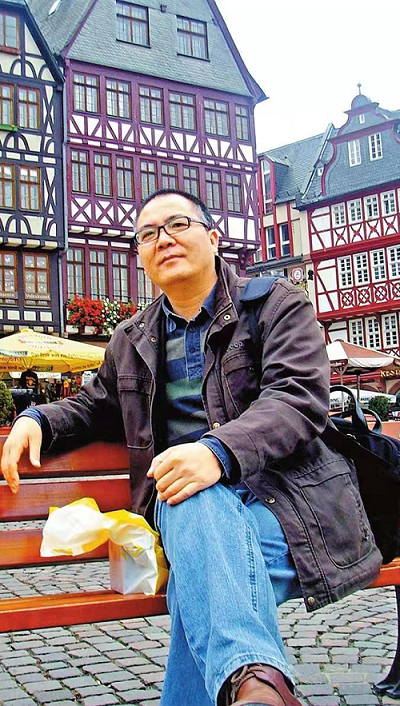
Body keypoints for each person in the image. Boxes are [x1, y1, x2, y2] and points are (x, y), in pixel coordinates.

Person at [1, 189, 382, 706]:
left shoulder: (276, 305)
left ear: (214, 238)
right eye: (148, 234)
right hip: (187, 503)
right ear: (141, 256)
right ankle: (256, 684)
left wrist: (216, 452)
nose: (164, 239)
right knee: (190, 499)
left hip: (287, 504)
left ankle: (255, 683)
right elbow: (95, 406)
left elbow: (297, 397)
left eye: (178, 224)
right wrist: (37, 418)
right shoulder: (132, 339)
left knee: (196, 564)